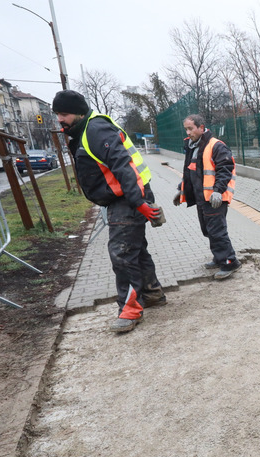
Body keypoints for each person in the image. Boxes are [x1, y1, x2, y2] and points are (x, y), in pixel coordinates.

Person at [53, 89, 166, 333]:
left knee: (122, 255)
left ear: (79, 113)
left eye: (64, 114)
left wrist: (139, 203)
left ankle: (130, 310)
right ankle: (152, 294)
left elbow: (123, 166)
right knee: (136, 251)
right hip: (126, 197)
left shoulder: (95, 130)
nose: (60, 119)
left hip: (127, 198)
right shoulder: (85, 130)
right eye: (58, 115)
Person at [171, 114, 241, 279]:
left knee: (217, 231)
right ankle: (219, 257)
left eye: (191, 128)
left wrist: (218, 191)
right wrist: (181, 190)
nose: (188, 132)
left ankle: (230, 262)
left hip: (215, 198)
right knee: (208, 230)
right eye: (186, 129)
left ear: (201, 127)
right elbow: (190, 172)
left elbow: (225, 170)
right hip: (202, 198)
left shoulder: (216, 146)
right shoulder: (192, 146)